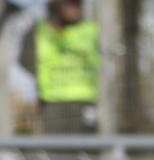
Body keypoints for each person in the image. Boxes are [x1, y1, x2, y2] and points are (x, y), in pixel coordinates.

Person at [20, 0, 100, 133]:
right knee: (53, 149)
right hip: (52, 104)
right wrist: (43, 74)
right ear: (56, 5)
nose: (75, 9)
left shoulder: (91, 29)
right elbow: (24, 59)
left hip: (84, 102)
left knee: (86, 149)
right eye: (70, 4)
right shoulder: (39, 30)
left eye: (77, 4)